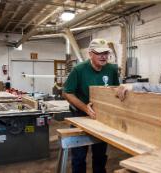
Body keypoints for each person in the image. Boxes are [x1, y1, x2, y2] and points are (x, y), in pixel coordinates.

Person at [63, 38, 120, 173]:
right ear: (90, 54)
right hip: (80, 116)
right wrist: (85, 108)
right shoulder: (79, 70)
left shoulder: (111, 69)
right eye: (99, 53)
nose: (103, 56)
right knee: (79, 157)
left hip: (101, 118)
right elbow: (67, 93)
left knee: (100, 156)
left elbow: (115, 90)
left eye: (106, 53)